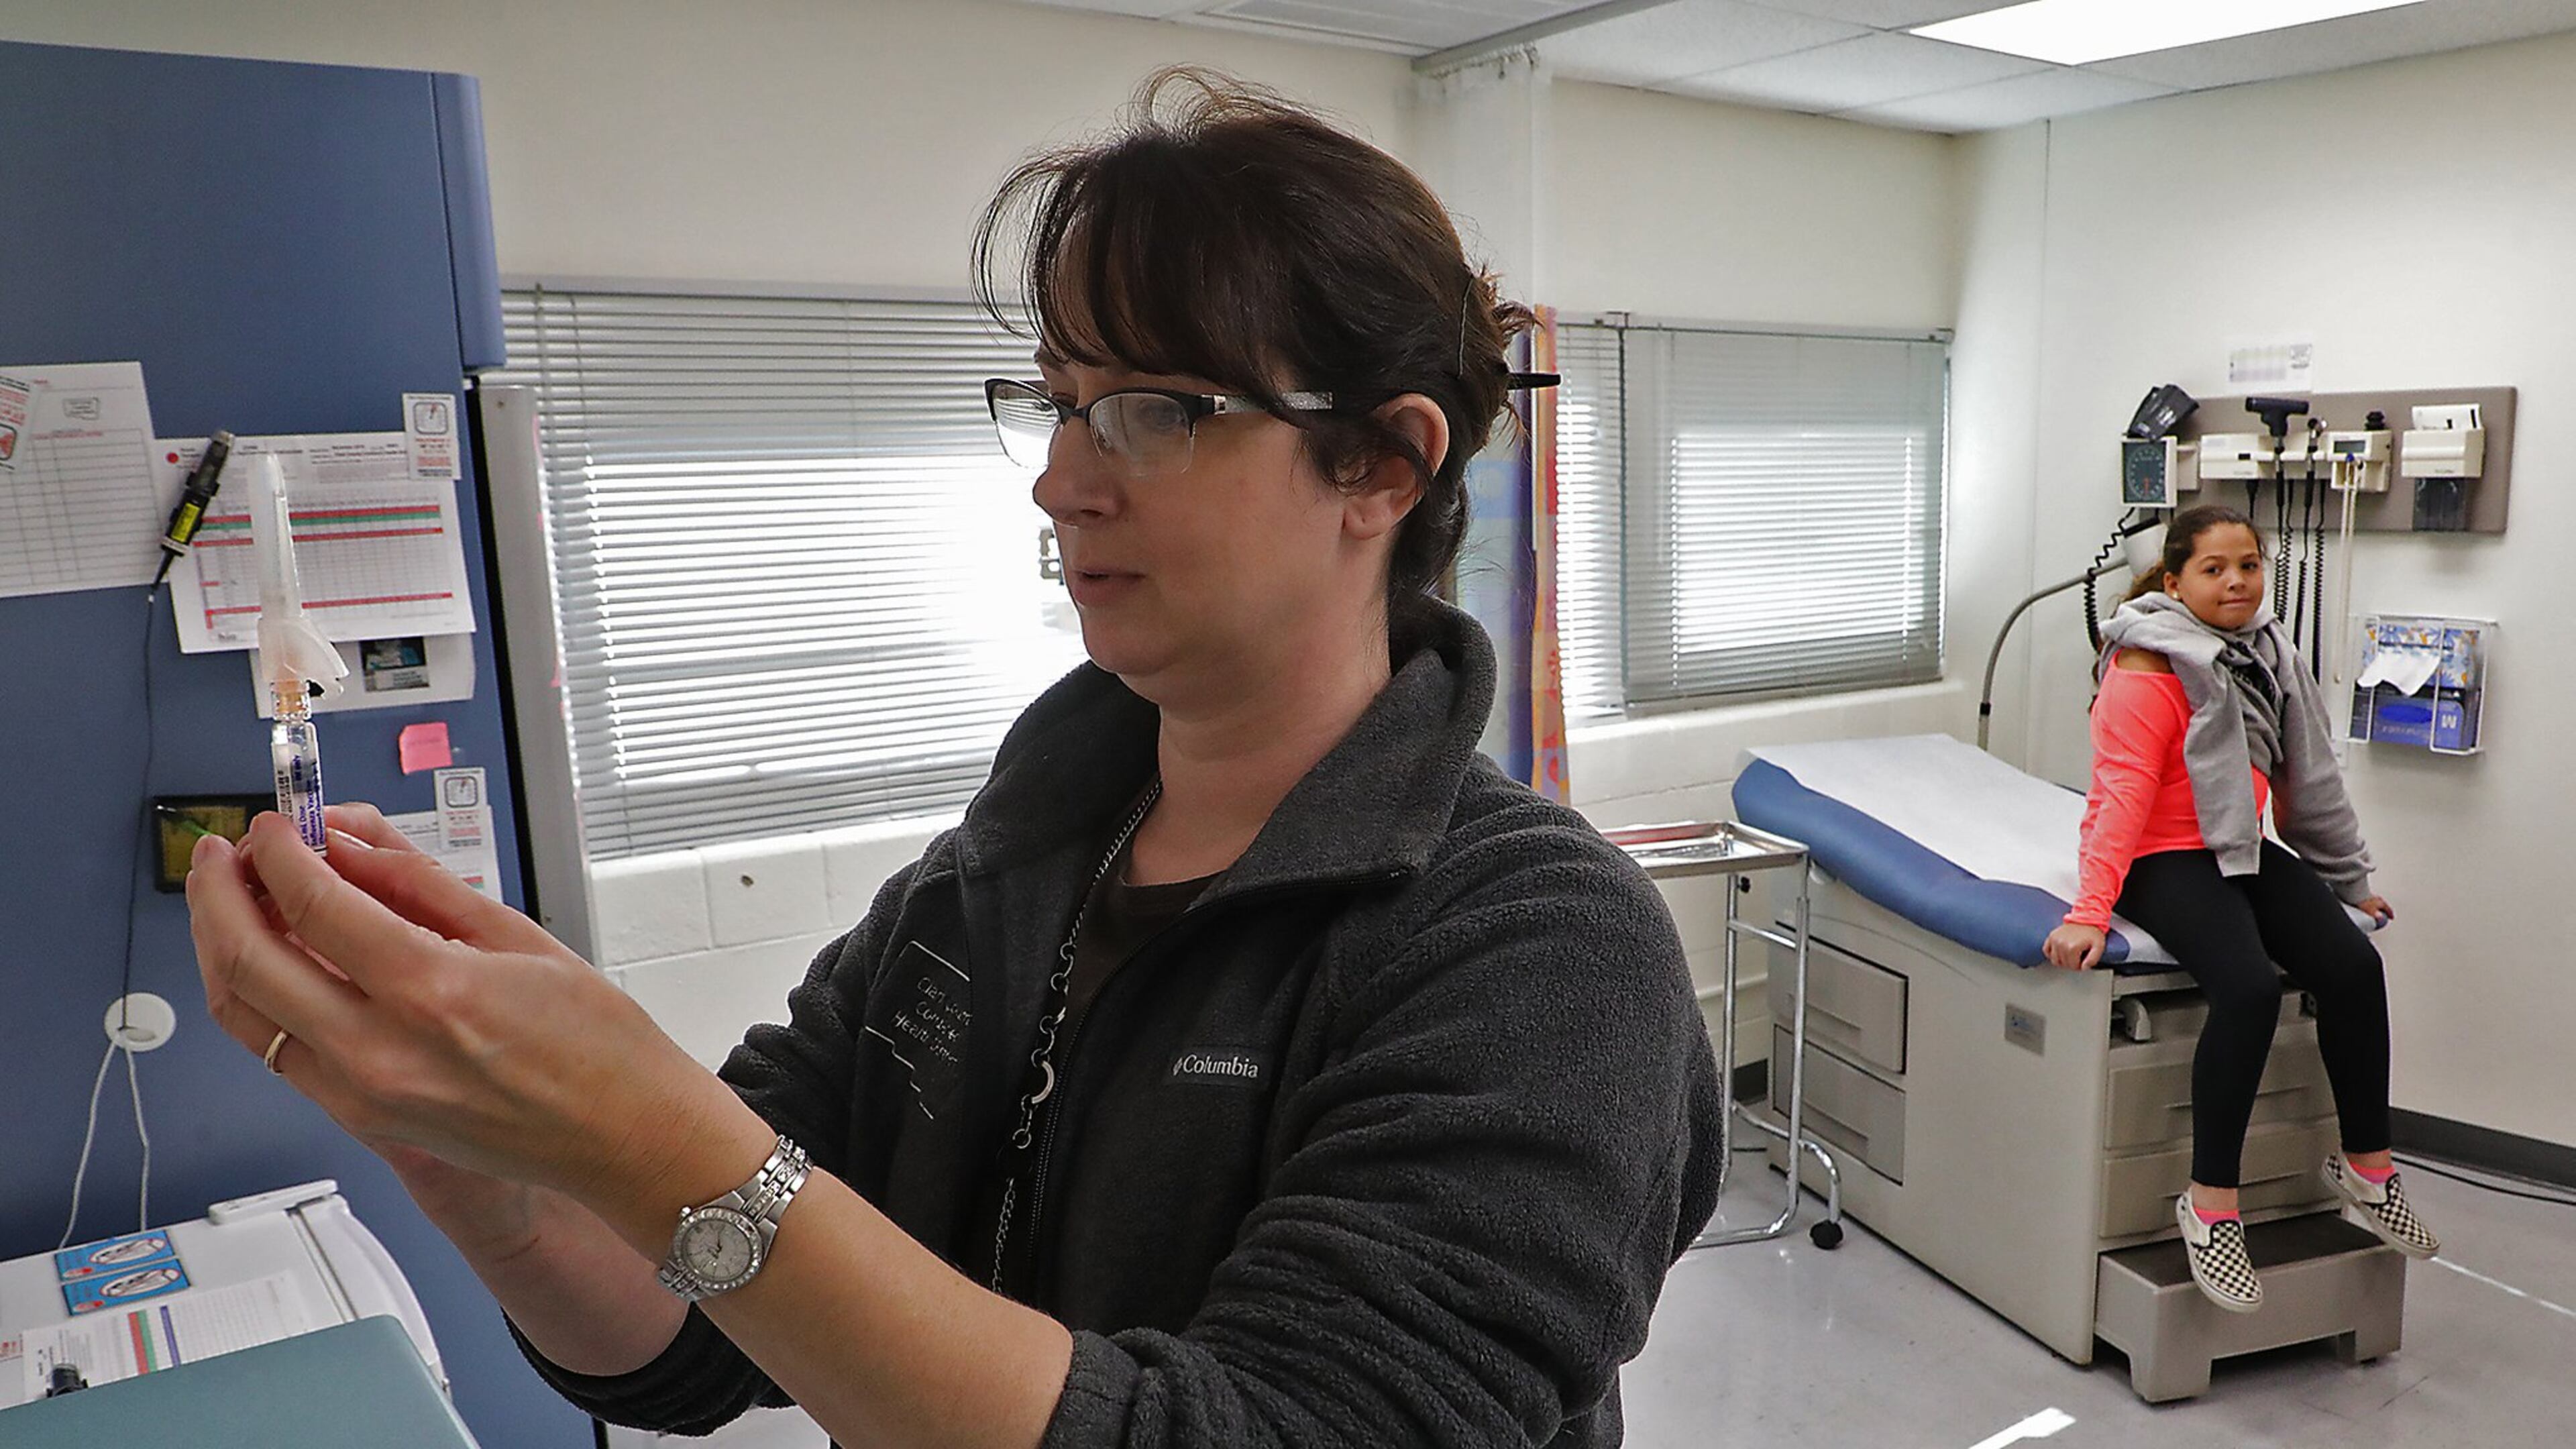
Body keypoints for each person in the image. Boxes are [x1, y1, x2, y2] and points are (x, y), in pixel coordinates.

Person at [185, 69, 1723, 1448]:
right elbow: (704, 1327)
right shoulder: (989, 880)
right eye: (1053, 405)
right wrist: (495, 1171)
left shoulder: (1540, 951)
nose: (1061, 480)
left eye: (1148, 412)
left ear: (1379, 466)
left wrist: (644, 1126)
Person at [2041, 504, 2437, 1313]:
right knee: (2250, 988)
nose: (2236, 582)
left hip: (2240, 849)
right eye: (2215, 569)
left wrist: (2348, 880)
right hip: (2160, 859)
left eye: (2249, 566)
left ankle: (2365, 1165)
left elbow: (2310, 777)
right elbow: (2118, 797)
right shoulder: (2147, 665)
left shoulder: (2267, 652)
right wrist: (2090, 909)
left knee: (2354, 966)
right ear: (2177, 580)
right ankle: (2211, 1204)